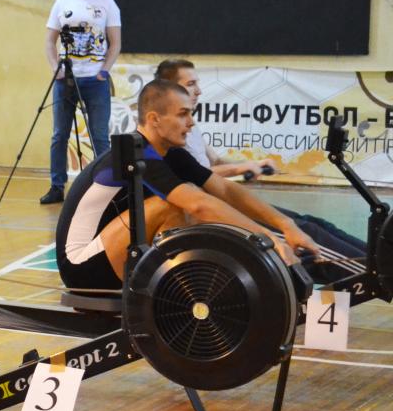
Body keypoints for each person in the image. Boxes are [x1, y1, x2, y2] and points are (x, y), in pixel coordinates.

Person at [55, 80, 319, 292]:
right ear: (154, 119)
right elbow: (199, 206)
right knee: (173, 205)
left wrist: (286, 225)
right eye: (183, 114)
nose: (191, 122)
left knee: (199, 200)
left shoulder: (171, 153)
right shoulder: (137, 153)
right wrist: (269, 240)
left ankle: (190, 285)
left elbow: (225, 190)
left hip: (111, 252)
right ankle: (178, 293)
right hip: (82, 267)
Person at [155, 58, 366, 283]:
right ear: (168, 91)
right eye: (191, 84)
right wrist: (272, 236)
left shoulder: (183, 137)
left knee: (312, 224)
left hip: (216, 205)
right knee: (307, 241)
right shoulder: (162, 147)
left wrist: (252, 165)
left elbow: (213, 168)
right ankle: (377, 273)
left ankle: (380, 259)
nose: (198, 91)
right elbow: (200, 198)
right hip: (204, 220)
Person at [42, 0, 121, 204]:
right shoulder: (62, 3)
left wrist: (104, 72)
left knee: (99, 136)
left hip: (95, 79)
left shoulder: (107, 3)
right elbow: (49, 41)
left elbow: (115, 42)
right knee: (59, 135)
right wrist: (56, 69)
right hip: (66, 79)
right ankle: (57, 186)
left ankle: (105, 188)